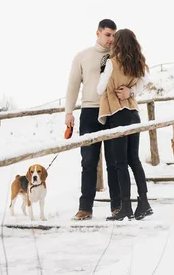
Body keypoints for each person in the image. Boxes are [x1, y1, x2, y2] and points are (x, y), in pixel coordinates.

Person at [65, 19, 122, 220]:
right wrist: (68, 112)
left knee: (114, 162)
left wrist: (130, 92)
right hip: (89, 112)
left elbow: (135, 77)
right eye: (108, 34)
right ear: (97, 33)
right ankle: (85, 208)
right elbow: (73, 85)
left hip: (113, 112)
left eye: (114, 35)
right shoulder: (82, 56)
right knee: (88, 161)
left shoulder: (118, 56)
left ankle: (117, 206)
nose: (111, 39)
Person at [97, 28, 153, 221]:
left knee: (121, 164)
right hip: (133, 114)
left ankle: (126, 207)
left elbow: (100, 88)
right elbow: (145, 82)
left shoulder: (112, 63)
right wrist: (130, 92)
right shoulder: (138, 63)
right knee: (134, 161)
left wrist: (105, 72)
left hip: (117, 116)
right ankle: (144, 203)